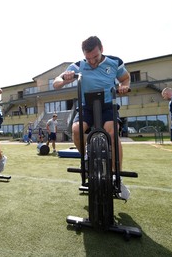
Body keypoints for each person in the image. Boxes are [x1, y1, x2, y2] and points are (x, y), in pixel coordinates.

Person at [53, 35, 130, 200]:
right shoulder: (79, 65)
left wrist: (124, 86)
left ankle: (117, 176)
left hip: (108, 105)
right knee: (76, 130)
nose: (92, 62)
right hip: (86, 106)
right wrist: (66, 77)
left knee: (111, 132)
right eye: (89, 58)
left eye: (95, 57)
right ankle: (87, 158)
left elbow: (125, 78)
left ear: (101, 48)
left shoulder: (114, 62)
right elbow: (56, 82)